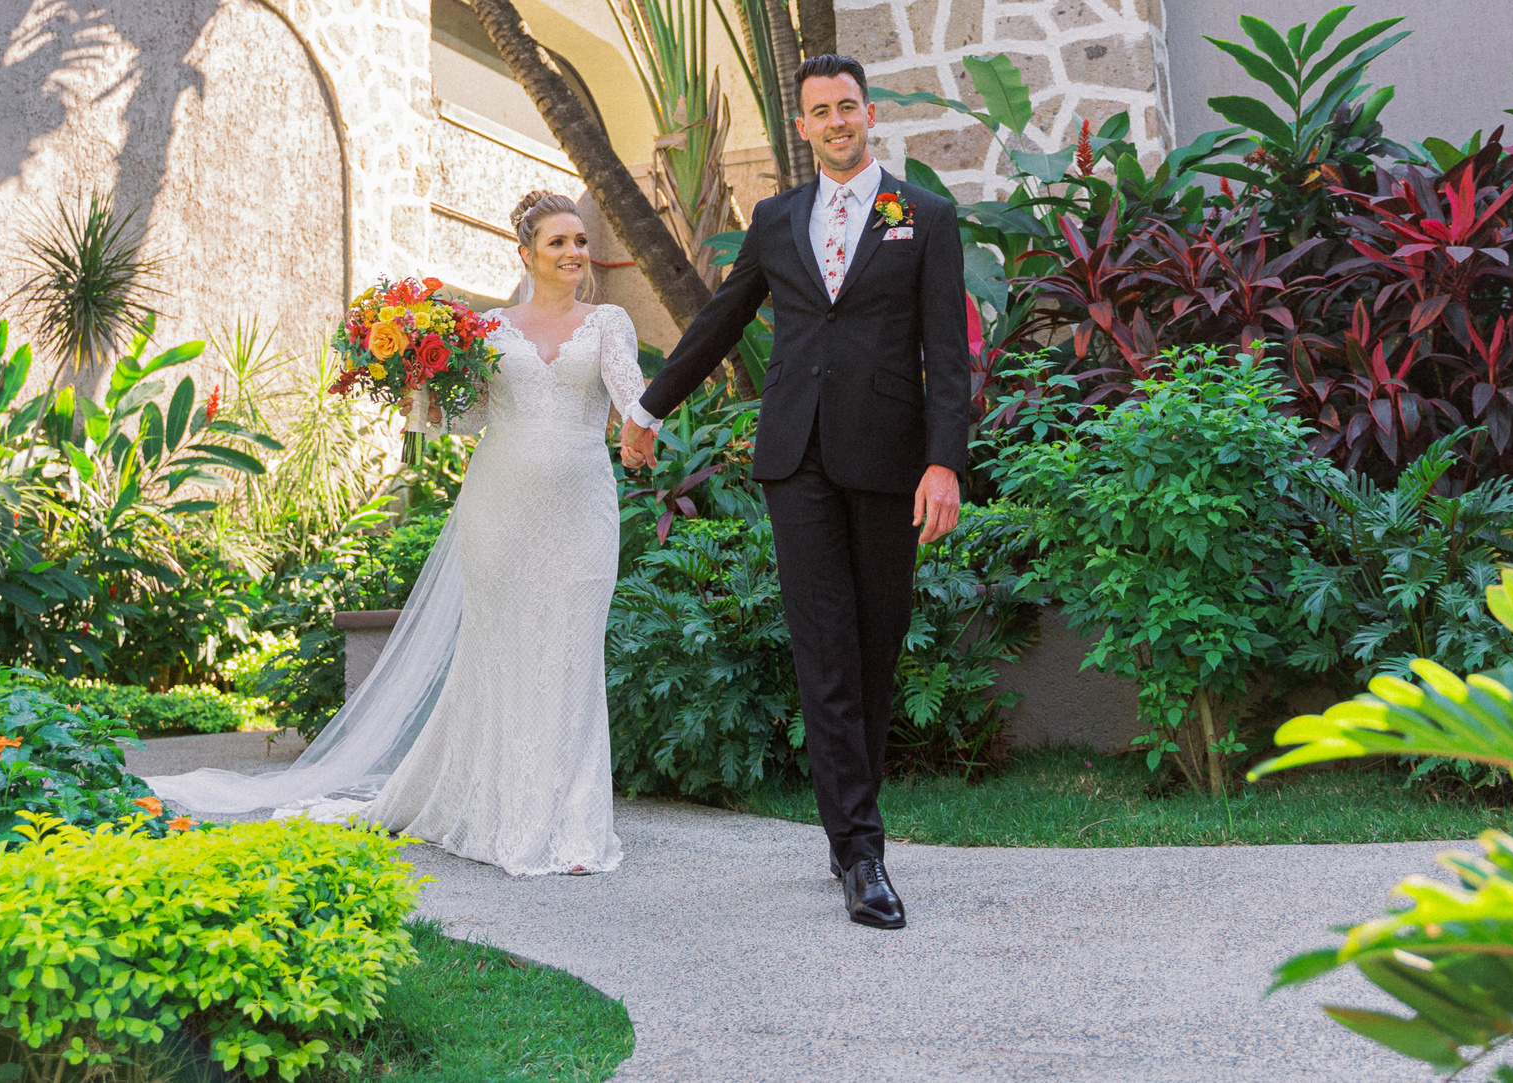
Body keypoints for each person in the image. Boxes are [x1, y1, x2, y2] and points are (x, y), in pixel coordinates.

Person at [145, 190, 648, 878]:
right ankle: (501, 813)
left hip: (581, 508)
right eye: (557, 242)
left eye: (579, 241)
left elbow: (632, 392)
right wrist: (423, 389)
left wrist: (637, 423)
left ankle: (571, 823)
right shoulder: (489, 329)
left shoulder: (609, 320)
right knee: (501, 654)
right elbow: (461, 421)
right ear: (526, 253)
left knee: (571, 650)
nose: (573, 254)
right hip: (499, 510)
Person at [621, 54, 969, 930]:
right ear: (804, 126)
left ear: (869, 114)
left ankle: (849, 819)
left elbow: (947, 355)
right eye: (820, 111)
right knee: (823, 646)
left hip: (890, 458)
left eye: (848, 106)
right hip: (796, 456)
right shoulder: (776, 219)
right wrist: (649, 405)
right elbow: (720, 320)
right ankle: (861, 852)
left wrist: (945, 461)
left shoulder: (923, 216)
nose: (837, 121)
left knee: (876, 644)